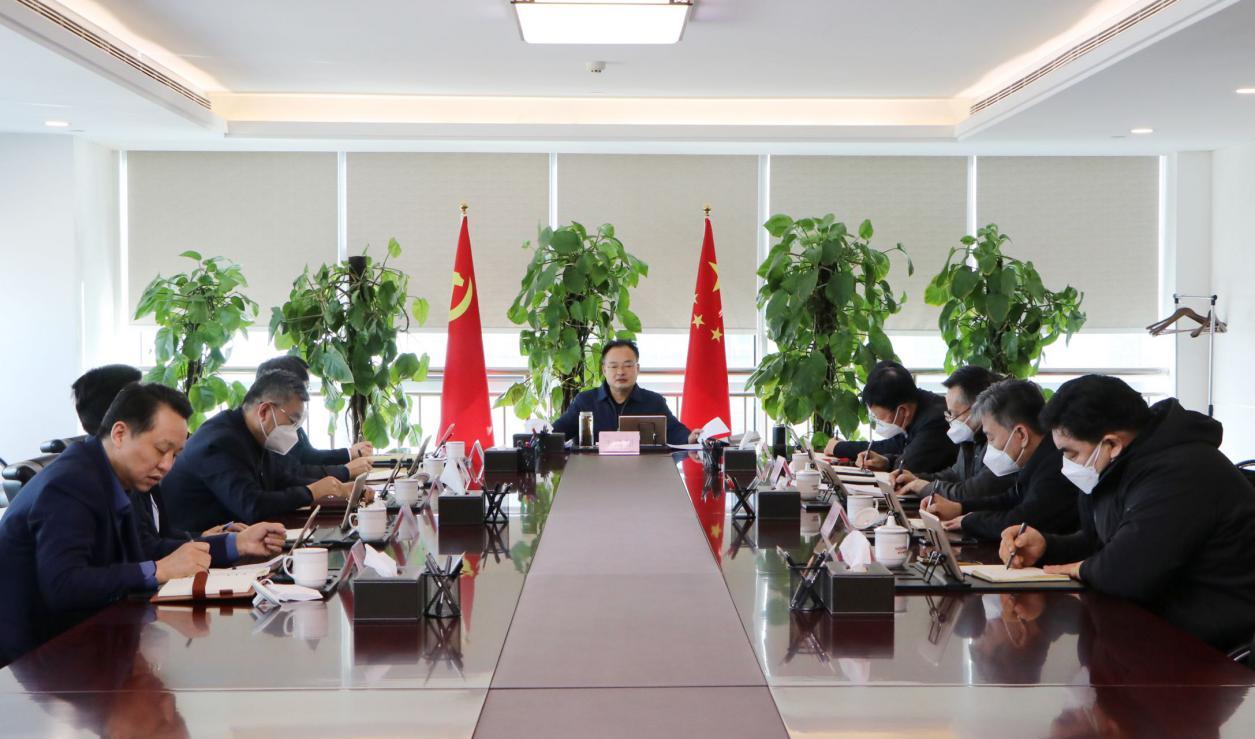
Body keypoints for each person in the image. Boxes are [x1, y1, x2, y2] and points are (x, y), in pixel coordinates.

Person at [0, 383, 285, 665]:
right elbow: (63, 585)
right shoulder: (70, 484)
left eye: (175, 455)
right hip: (39, 661)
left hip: (89, 636)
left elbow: (146, 549)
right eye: (161, 449)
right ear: (120, 433)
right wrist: (159, 570)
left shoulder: (115, 473)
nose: (167, 465)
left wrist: (237, 544)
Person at [1001, 374, 1255, 651]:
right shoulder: (1121, 465)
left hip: (1211, 645)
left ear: (1112, 444)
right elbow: (1102, 542)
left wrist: (1080, 568)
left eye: (1071, 454)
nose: (1065, 465)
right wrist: (1047, 546)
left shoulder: (1182, 471)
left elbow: (1127, 571)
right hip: (1153, 624)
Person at [161, 370, 354, 533]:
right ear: (264, 411)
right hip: (195, 546)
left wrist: (334, 487)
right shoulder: (221, 442)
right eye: (292, 421)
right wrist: (311, 492)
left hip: (237, 537)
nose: (294, 430)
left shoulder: (255, 435)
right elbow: (252, 506)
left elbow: (283, 478)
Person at [70, 364, 243, 540]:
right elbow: (146, 548)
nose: (166, 465)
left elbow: (157, 538)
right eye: (139, 397)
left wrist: (203, 538)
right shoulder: (87, 485)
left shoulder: (143, 471)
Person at [924, 379, 1078, 541]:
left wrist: (968, 521)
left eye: (991, 438)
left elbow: (1018, 522)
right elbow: (1010, 499)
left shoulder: (1057, 468)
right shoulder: (1036, 459)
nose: (988, 447)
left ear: (1021, 435)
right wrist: (960, 508)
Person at [891, 365, 1013, 503]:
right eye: (949, 414)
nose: (951, 421)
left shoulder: (1000, 442)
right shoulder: (970, 438)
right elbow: (956, 475)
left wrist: (925, 487)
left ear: (979, 408)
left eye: (955, 414)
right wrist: (916, 480)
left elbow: (973, 492)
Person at [552, 340, 697, 445]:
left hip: (641, 473)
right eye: (614, 366)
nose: (621, 372)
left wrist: (690, 438)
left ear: (637, 369)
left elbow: (674, 431)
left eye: (628, 365)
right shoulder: (585, 401)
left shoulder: (654, 401)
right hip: (595, 474)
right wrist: (543, 435)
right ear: (604, 370)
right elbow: (559, 431)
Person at [255, 356, 374, 482]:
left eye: (307, 389)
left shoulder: (287, 421)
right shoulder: (268, 429)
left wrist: (349, 454)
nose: (306, 397)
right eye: (302, 389)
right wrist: (346, 471)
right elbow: (291, 474)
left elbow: (307, 456)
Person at [825, 361, 957, 473]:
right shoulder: (915, 405)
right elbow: (895, 446)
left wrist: (887, 463)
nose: (878, 421)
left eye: (879, 417)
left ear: (903, 411)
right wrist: (886, 461)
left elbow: (907, 466)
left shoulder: (936, 421)